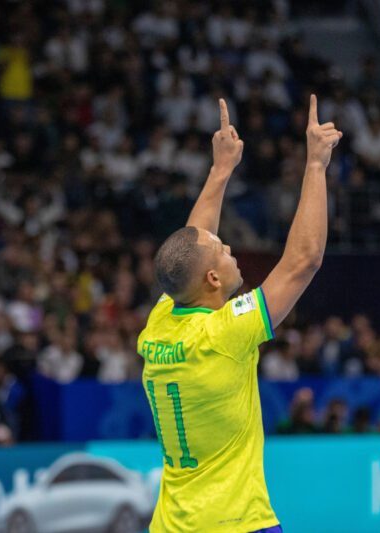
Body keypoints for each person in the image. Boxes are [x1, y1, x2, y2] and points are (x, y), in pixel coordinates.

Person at [138, 96, 341, 532]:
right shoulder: (225, 333)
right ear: (212, 279)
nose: (229, 248)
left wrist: (220, 169)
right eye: (223, 251)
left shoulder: (161, 322)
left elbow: (194, 243)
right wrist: (316, 165)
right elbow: (303, 260)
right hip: (235, 523)